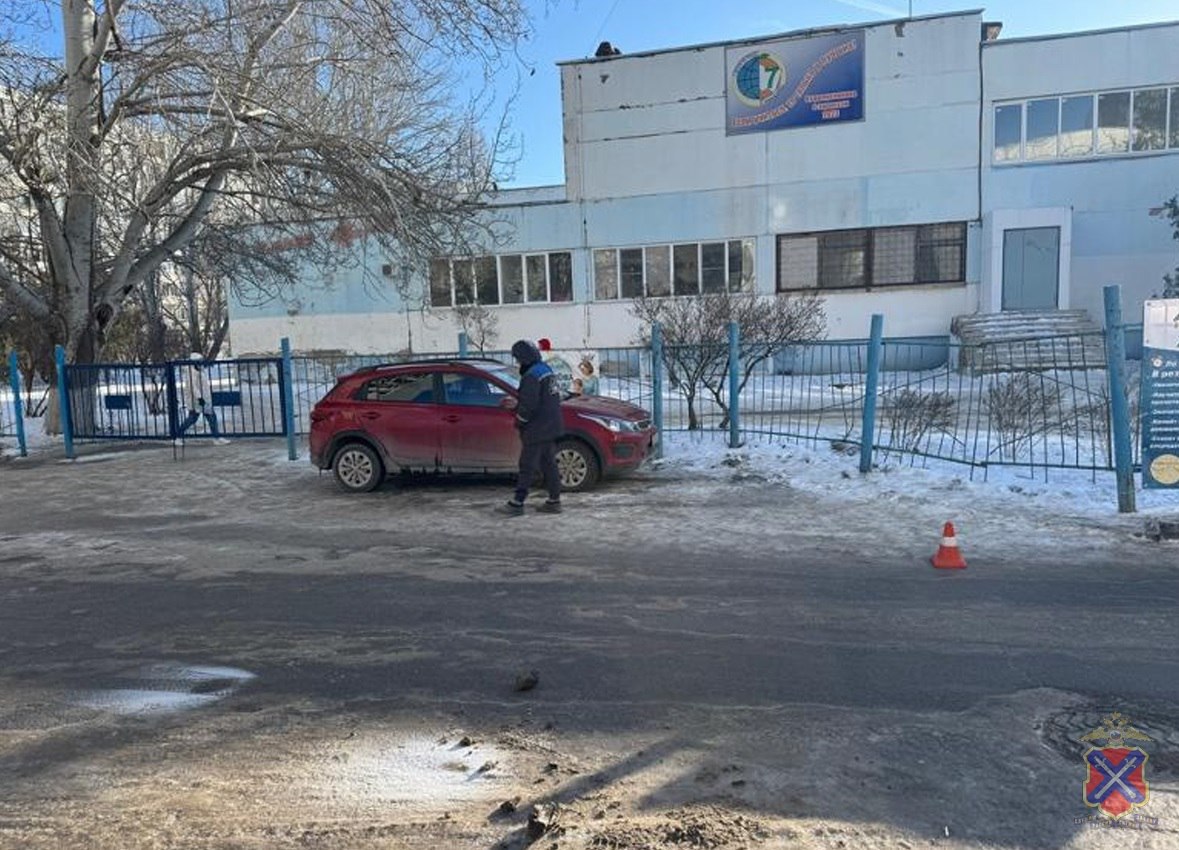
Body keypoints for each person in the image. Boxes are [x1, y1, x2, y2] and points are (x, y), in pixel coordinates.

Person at [501, 339, 564, 515]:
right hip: (551, 425)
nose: (517, 362)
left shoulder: (531, 376)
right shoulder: (545, 370)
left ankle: (517, 503)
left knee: (527, 466)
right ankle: (554, 501)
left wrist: (519, 420)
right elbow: (542, 398)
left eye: (518, 358)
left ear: (524, 357)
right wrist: (518, 403)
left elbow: (529, 406)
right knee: (549, 464)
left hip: (537, 428)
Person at [178, 353, 229, 444]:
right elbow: (193, 387)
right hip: (197, 400)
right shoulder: (191, 372)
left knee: (211, 416)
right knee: (193, 418)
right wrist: (199, 398)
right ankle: (178, 436)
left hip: (203, 399)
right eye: (199, 361)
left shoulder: (200, 370)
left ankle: (216, 437)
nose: (201, 362)